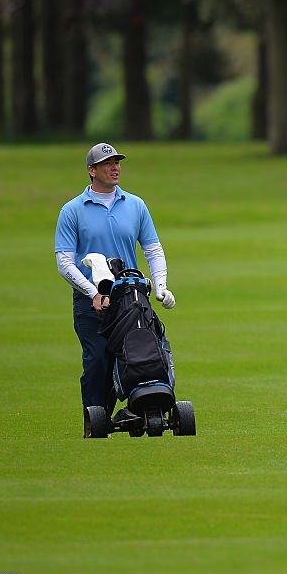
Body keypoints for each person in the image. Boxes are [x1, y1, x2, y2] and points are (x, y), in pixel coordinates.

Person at [54, 143, 175, 421]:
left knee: (145, 352)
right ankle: (97, 419)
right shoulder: (73, 210)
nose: (115, 168)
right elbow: (64, 262)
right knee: (98, 360)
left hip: (131, 297)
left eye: (117, 162)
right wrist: (92, 291)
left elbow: (153, 249)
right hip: (90, 302)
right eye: (107, 164)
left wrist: (162, 285)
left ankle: (145, 408)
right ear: (92, 170)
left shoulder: (135, 204)